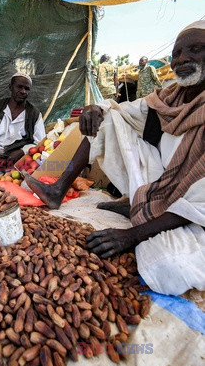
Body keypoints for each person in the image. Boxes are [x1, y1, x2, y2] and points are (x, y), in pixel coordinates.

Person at [24, 21, 205, 296]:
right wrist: (96, 108)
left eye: (194, 50)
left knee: (168, 266)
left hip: (190, 205)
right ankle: (57, 189)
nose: (182, 59)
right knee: (108, 119)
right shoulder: (169, 97)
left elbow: (199, 205)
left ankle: (138, 208)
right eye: (177, 53)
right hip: (162, 181)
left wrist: (130, 236)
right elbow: (123, 109)